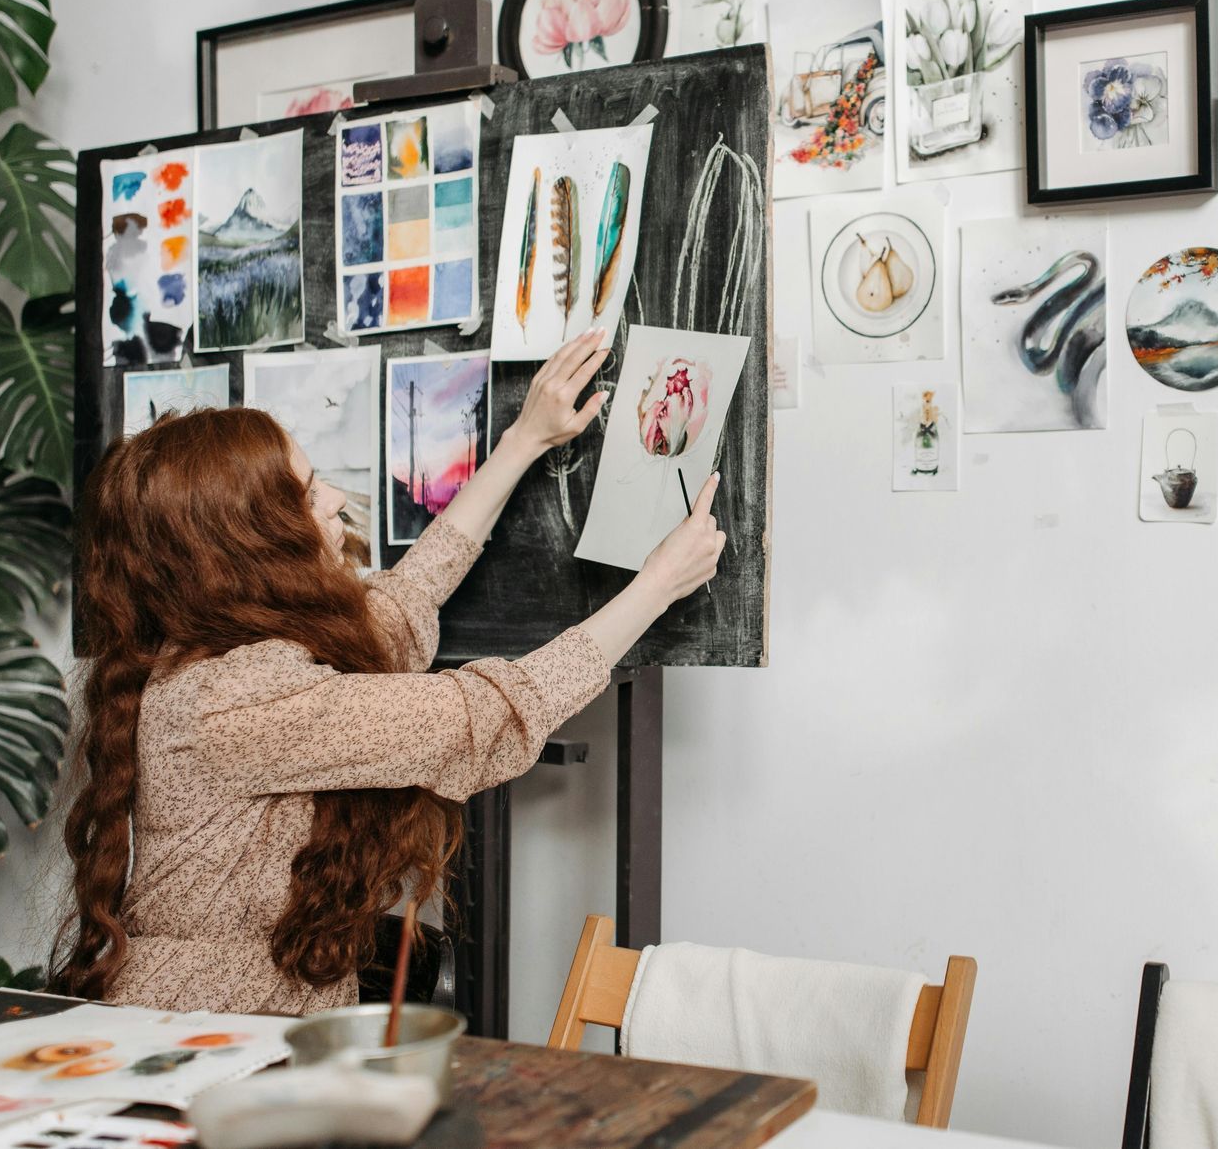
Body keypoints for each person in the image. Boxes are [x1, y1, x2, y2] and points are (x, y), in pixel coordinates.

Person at [50, 329, 723, 1014]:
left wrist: (526, 439)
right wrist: (656, 585)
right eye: (308, 498)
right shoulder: (231, 700)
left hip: (241, 1021)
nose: (337, 502)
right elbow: (481, 715)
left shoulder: (227, 650)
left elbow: (405, 601)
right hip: (206, 1034)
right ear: (250, 546)